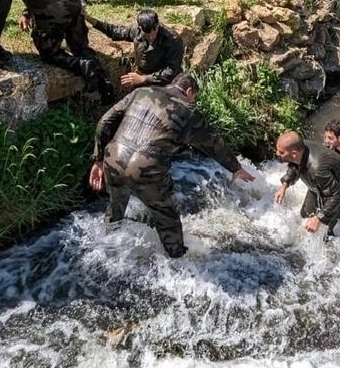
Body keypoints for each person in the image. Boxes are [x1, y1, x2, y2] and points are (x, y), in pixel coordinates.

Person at [88, 73, 255, 258]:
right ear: (189, 91)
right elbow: (213, 144)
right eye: (194, 97)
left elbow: (105, 122)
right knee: (168, 219)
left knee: (116, 203)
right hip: (146, 169)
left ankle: (105, 247)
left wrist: (98, 159)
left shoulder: (141, 92)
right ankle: (177, 262)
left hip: (113, 157)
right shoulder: (189, 109)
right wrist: (235, 167)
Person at [274, 131, 340, 237]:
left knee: (324, 229)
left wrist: (319, 218)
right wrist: (285, 184)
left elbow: (336, 196)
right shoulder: (299, 147)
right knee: (305, 215)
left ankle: (329, 247)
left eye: (281, 152)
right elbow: (294, 165)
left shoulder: (317, 169)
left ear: (294, 153)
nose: (277, 154)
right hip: (320, 180)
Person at [86, 8, 183, 90]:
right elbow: (114, 31)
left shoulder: (173, 40)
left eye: (154, 32)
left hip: (165, 83)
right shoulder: (135, 30)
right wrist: (88, 18)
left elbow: (171, 71)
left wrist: (144, 79)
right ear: (140, 28)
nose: (151, 37)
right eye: (147, 35)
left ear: (157, 25)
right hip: (143, 76)